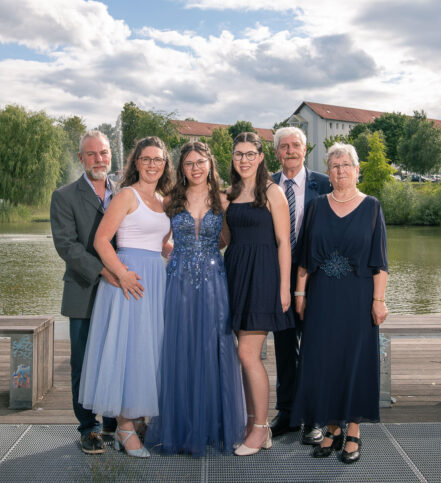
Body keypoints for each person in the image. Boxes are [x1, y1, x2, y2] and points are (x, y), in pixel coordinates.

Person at [146, 141, 247, 455]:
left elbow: (228, 238)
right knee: (181, 347)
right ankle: (182, 426)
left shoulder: (224, 199)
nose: (195, 168)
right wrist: (174, 252)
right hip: (179, 281)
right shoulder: (170, 200)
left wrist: (207, 252)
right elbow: (156, 238)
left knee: (214, 347)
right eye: (189, 163)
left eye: (200, 162)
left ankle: (214, 426)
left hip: (215, 281)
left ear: (210, 164)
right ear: (181, 168)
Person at [291, 142, 388, 464]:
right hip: (321, 297)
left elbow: (380, 262)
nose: (341, 170)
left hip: (358, 298)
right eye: (335, 166)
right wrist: (300, 294)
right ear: (328, 173)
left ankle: (354, 430)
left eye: (346, 165)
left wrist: (378, 301)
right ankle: (332, 427)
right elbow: (304, 257)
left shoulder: (372, 207)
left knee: (354, 360)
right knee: (324, 361)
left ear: (357, 170)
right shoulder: (317, 206)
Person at [79, 136, 173, 459]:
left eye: (158, 159)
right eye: (146, 159)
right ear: (136, 162)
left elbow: (160, 243)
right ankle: (124, 427)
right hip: (128, 282)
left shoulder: (162, 200)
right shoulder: (126, 196)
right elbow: (101, 240)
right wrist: (121, 273)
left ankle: (137, 419)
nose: (152, 165)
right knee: (128, 350)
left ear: (165, 164)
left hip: (154, 280)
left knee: (146, 350)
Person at [223, 131, 294, 456]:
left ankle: (262, 428)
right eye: (239, 154)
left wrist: (284, 288)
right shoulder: (230, 193)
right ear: (233, 157)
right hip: (234, 274)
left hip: (263, 276)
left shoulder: (272, 192)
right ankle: (252, 423)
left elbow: (283, 243)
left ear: (261, 157)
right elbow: (224, 238)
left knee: (247, 355)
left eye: (250, 154)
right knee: (243, 355)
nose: (244, 159)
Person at [49, 130, 120, 454]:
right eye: (91, 154)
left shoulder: (123, 193)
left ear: (110, 155)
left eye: (103, 153)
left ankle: (115, 421)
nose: (98, 159)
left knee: (115, 356)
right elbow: (67, 246)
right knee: (82, 362)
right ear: (81, 158)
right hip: (84, 289)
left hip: (119, 291)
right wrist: (104, 270)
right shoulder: (64, 196)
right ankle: (88, 427)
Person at [269, 126, 331, 444]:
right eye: (284, 146)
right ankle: (287, 412)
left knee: (315, 346)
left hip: (317, 277)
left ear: (305, 150)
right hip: (278, 275)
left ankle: (316, 415)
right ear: (276, 152)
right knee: (283, 346)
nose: (290, 150)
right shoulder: (266, 185)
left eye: (296, 145)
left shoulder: (325, 183)